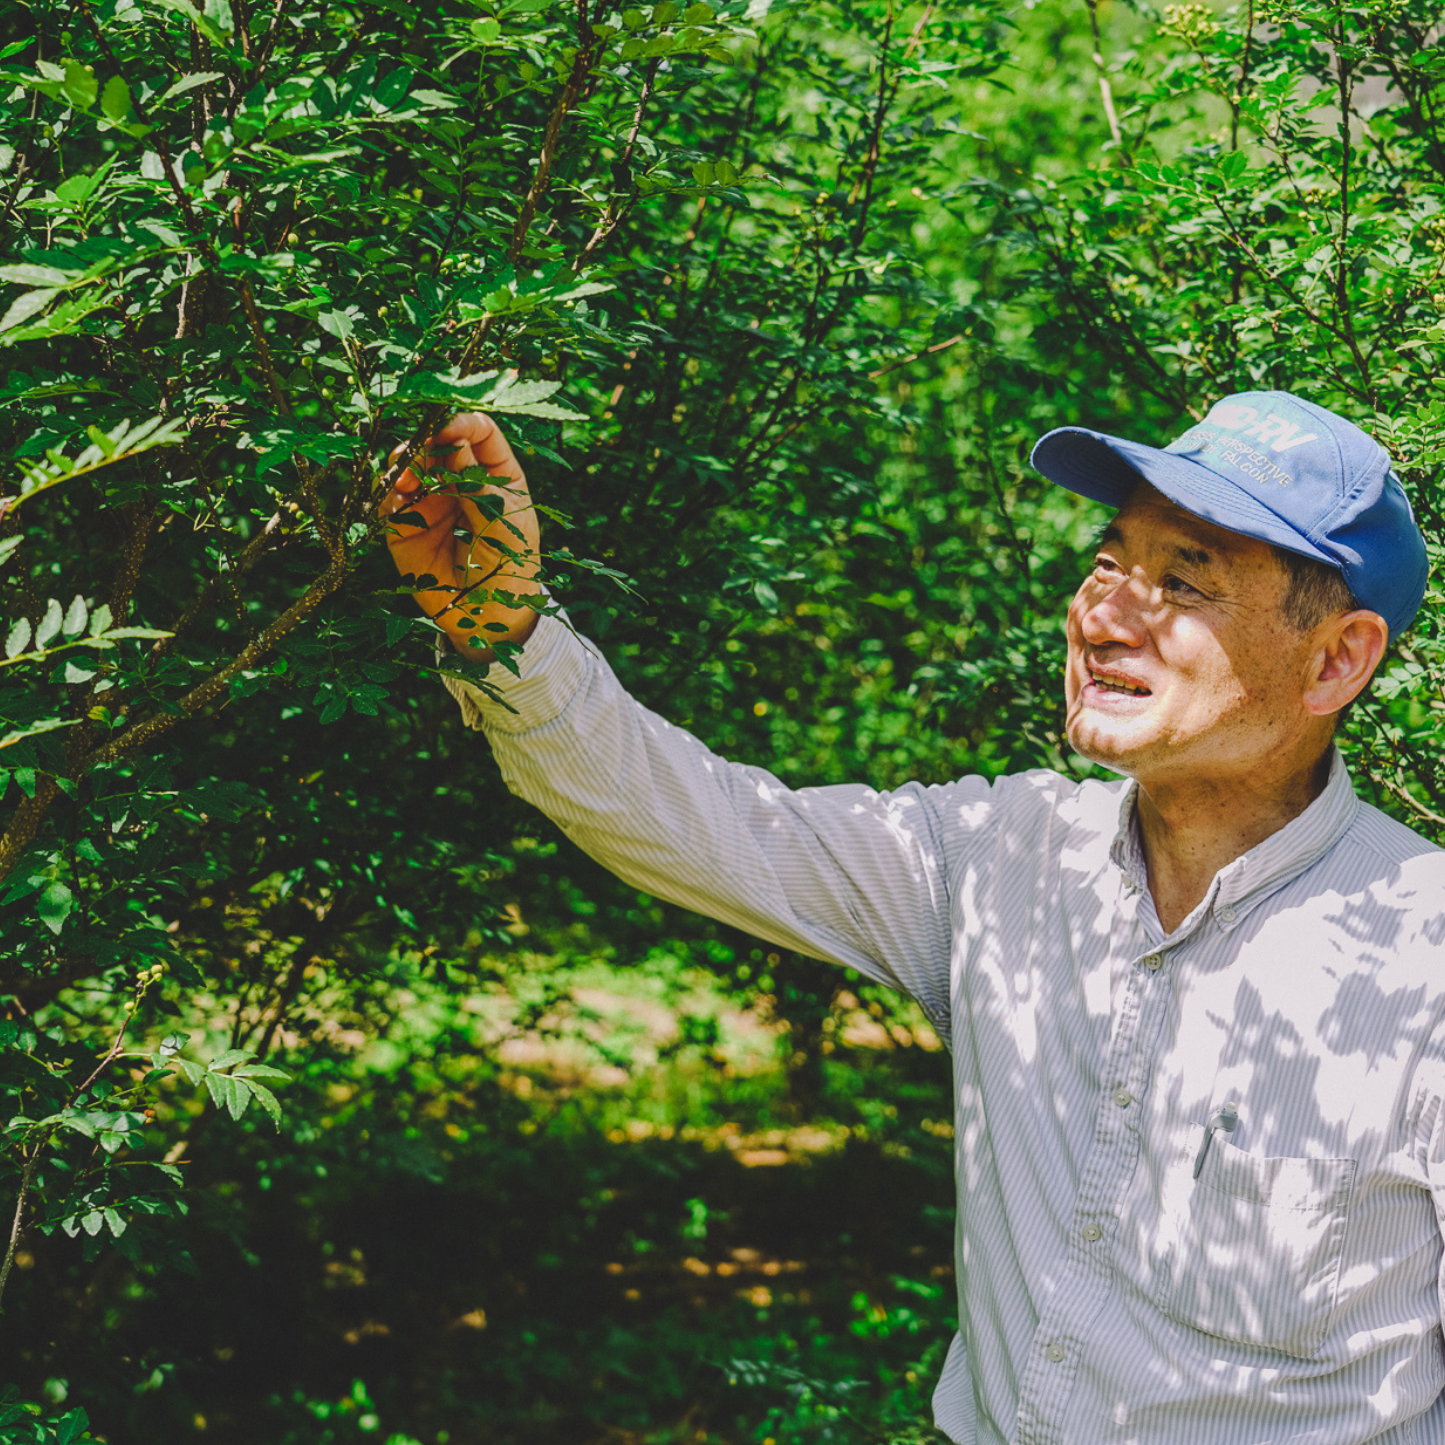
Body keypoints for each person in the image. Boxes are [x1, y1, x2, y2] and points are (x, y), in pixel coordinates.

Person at [381, 391, 1445, 1445]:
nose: (1106, 612)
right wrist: (502, 627)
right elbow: (705, 823)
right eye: (1111, 561)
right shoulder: (1002, 859)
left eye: (1182, 582)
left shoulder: (1422, 958)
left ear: (1335, 659)